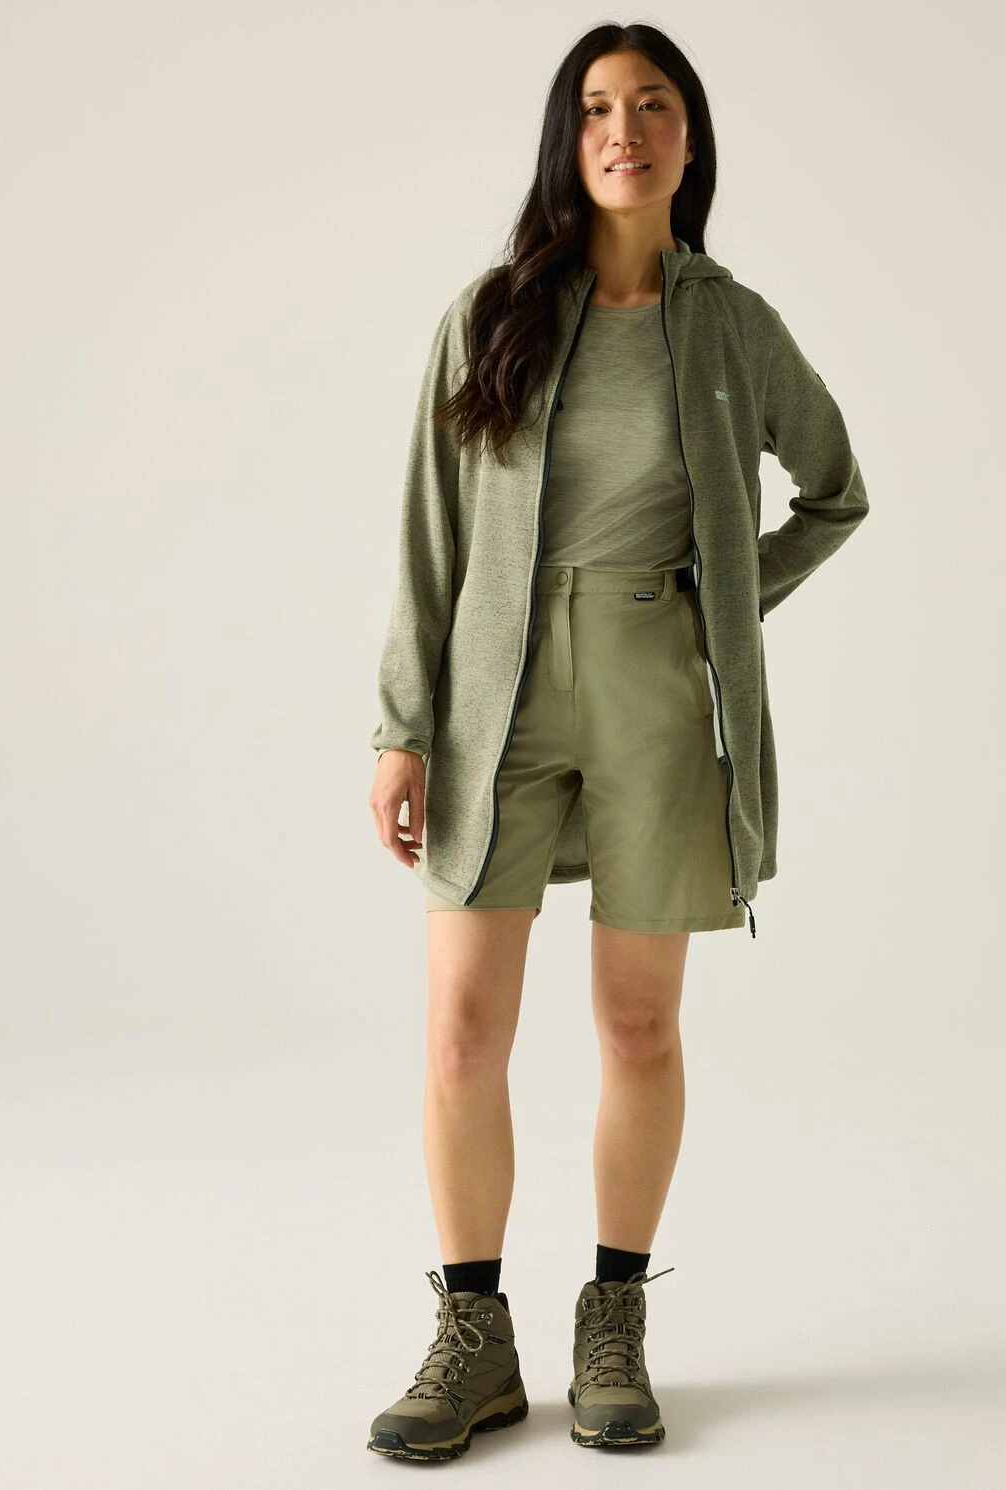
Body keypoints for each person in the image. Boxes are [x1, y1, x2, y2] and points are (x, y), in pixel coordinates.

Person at [366, 23, 869, 1461]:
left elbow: (835, 492)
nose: (623, 130)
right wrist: (402, 725)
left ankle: (615, 1318)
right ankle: (472, 1334)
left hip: (659, 684)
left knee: (638, 1024)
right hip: (496, 690)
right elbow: (430, 534)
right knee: (462, 1026)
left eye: (651, 105)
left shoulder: (732, 325)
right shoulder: (491, 315)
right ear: (566, 139)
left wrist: (722, 602)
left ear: (688, 139)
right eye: (595, 108)